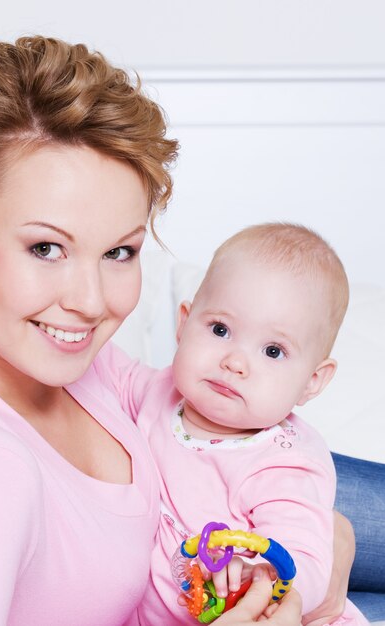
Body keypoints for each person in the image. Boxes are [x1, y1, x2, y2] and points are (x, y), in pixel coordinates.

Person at [0, 35, 344, 626]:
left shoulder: (58, 361)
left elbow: (274, 478)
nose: (91, 304)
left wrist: (332, 550)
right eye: (46, 248)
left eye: (119, 252)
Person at [105, 222, 370, 625]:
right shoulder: (155, 392)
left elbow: (305, 548)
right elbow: (100, 367)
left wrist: (263, 575)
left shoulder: (283, 461)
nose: (236, 362)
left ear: (312, 381)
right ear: (184, 324)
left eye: (273, 351)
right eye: (220, 329)